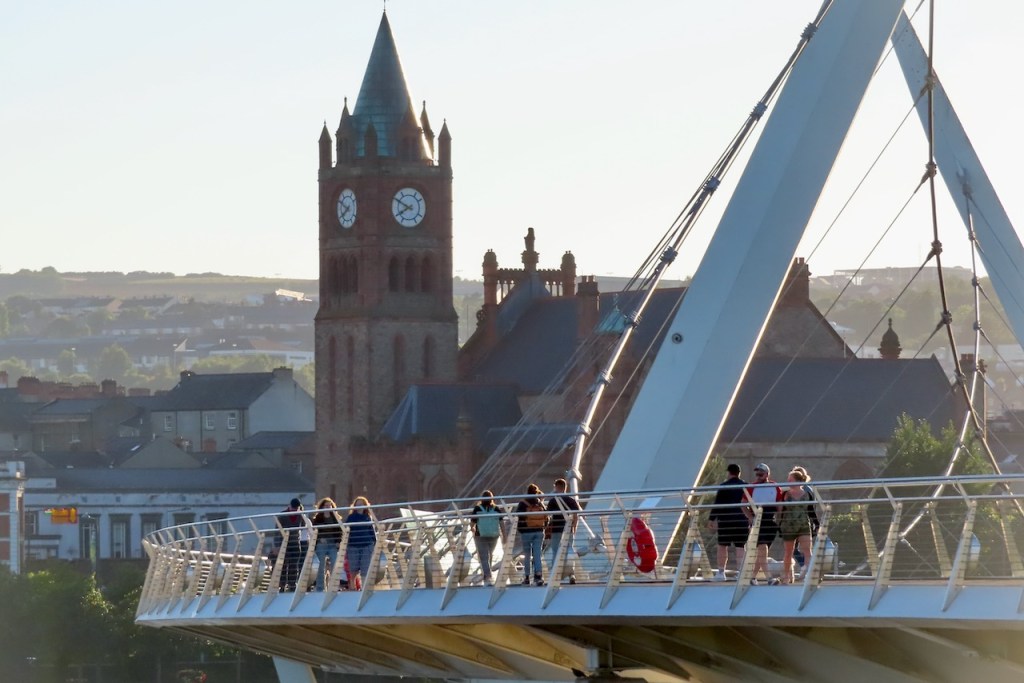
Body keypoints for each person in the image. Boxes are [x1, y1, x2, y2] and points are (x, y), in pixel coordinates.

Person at [777, 466, 819, 584]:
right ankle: (786, 576)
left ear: (798, 481)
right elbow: (781, 511)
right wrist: (779, 525)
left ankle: (808, 575)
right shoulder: (785, 494)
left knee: (807, 551)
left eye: (790, 480)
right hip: (788, 526)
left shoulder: (807, 494)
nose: (788, 482)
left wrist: (817, 524)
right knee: (788, 552)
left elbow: (811, 511)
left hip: (803, 525)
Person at [708, 463, 748, 581]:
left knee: (722, 546)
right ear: (739, 473)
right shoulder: (746, 486)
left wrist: (711, 519)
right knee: (740, 546)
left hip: (726, 519)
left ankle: (721, 572)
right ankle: (740, 573)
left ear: (729, 473)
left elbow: (717, 504)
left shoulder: (724, 486)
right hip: (741, 519)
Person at [745, 463, 783, 585]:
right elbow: (743, 503)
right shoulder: (751, 487)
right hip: (757, 521)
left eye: (760, 473)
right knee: (763, 548)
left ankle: (752, 577)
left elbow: (779, 505)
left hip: (770, 521)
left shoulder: (774, 486)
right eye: (757, 473)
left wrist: (780, 520)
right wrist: (750, 517)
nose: (758, 475)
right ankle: (769, 578)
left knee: (762, 552)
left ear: (767, 474)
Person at [545, 478, 581, 585]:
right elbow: (575, 515)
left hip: (556, 529)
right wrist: (574, 527)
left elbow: (547, 516)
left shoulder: (552, 501)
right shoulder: (571, 500)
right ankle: (571, 575)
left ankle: (555, 574)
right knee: (569, 551)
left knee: (555, 551)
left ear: (556, 487)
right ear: (565, 487)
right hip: (568, 529)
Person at [515, 483, 548, 586]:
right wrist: (543, 527)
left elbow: (518, 516)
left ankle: (527, 577)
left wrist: (520, 529)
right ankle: (538, 576)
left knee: (527, 555)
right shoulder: (540, 503)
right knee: (537, 554)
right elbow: (547, 517)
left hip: (526, 532)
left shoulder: (523, 503)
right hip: (539, 531)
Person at [471, 490, 503, 585]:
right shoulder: (496, 509)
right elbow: (501, 523)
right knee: (489, 555)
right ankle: (487, 574)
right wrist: (504, 535)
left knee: (484, 557)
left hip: (480, 535)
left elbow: (472, 522)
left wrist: (472, 529)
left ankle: (488, 575)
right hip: (494, 535)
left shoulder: (477, 508)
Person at [344, 496, 376, 588]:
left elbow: (371, 530)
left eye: (361, 504)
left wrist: (375, 542)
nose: (359, 506)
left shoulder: (367, 517)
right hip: (353, 546)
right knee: (353, 568)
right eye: (357, 504)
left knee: (365, 567)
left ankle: (364, 588)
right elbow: (346, 530)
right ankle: (352, 587)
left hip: (367, 545)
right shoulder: (351, 517)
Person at [311, 497, 341, 591]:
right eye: (326, 505)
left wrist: (338, 541)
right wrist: (320, 538)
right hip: (322, 544)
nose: (328, 507)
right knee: (321, 566)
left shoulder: (335, 518)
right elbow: (314, 531)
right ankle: (320, 587)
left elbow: (340, 531)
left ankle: (334, 587)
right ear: (322, 507)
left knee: (335, 564)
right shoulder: (318, 519)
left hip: (333, 544)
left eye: (330, 505)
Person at [276, 498, 305, 591]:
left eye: (296, 509)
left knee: (294, 565)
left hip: (295, 543)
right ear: (289, 506)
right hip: (284, 543)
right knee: (283, 565)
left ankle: (292, 584)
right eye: (293, 508)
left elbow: (303, 525)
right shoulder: (282, 515)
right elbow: (277, 531)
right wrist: (277, 545)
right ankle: (282, 585)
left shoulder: (300, 515)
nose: (294, 511)